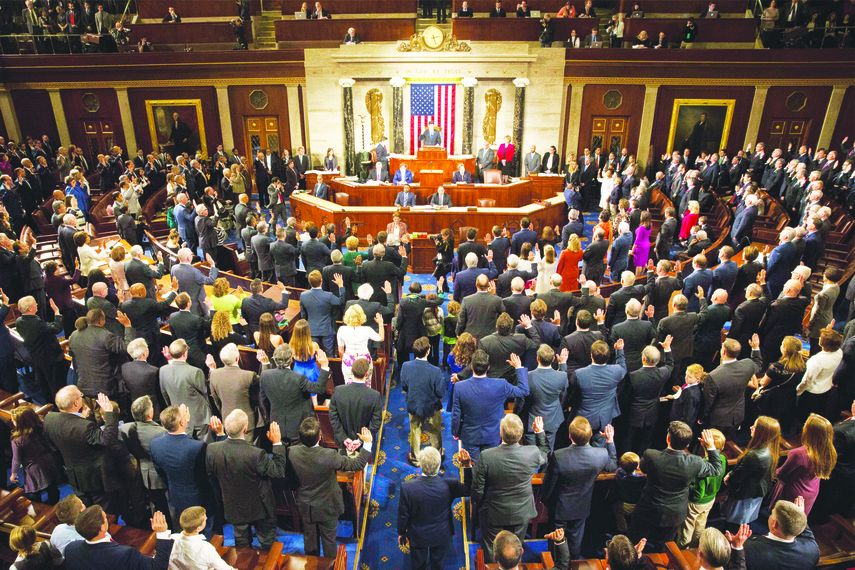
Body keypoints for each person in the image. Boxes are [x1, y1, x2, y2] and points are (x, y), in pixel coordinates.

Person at [289, 418, 372, 556]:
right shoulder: (329, 455)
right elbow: (356, 464)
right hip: (327, 506)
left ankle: (311, 563)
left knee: (310, 541)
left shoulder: (292, 452)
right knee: (329, 542)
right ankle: (331, 565)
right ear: (319, 436)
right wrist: (367, 444)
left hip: (306, 506)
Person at [629, 422, 724, 543]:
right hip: (675, 514)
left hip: (649, 508)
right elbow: (716, 469)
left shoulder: (651, 455)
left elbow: (643, 469)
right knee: (665, 546)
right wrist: (711, 446)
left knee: (635, 540)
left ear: (668, 438)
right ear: (688, 444)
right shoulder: (694, 462)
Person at [206, 410, 287, 549]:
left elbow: (214, 474)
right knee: (267, 544)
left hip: (234, 506)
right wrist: (277, 443)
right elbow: (278, 471)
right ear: (245, 428)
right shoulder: (256, 454)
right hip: (261, 508)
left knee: (241, 546)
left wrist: (220, 434)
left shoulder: (212, 449)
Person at [473, 414, 548, 561]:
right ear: (520, 435)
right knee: (516, 547)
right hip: (521, 511)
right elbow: (545, 454)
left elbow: (477, 491)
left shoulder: (486, 456)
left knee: (491, 548)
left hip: (493, 512)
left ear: (501, 433)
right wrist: (540, 432)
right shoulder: (532, 453)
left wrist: (479, 505)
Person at [544, 417, 617, 559]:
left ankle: (557, 563)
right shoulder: (601, 454)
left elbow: (550, 484)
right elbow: (613, 465)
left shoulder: (559, 456)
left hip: (560, 507)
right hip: (582, 505)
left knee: (556, 542)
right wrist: (610, 441)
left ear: (570, 435)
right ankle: (574, 563)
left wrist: (545, 500)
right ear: (590, 436)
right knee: (576, 541)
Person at [398, 446, 473, 570]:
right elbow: (469, 489)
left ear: (421, 464)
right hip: (441, 533)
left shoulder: (407, 488)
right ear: (439, 465)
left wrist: (401, 532)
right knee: (438, 565)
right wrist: (467, 467)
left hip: (418, 535)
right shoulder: (449, 485)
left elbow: (403, 514)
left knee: (418, 565)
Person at [43, 388, 117, 511]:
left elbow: (53, 446)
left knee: (85, 507)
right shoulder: (84, 426)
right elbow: (106, 439)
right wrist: (109, 413)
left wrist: (82, 419)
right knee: (104, 510)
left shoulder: (49, 419)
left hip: (73, 475)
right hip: (95, 478)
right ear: (76, 404)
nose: (82, 397)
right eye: (80, 395)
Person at [452, 351, 530, 461]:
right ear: (488, 367)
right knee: (490, 465)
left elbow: (456, 414)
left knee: (472, 467)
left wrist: (455, 432)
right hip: (493, 435)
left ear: (471, 366)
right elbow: (523, 391)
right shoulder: (500, 384)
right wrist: (518, 367)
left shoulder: (459, 387)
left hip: (469, 436)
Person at [149, 406, 214, 534]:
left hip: (175, 495)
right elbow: (205, 475)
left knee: (182, 531)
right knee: (204, 532)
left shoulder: (155, 444)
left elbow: (160, 472)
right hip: (199, 498)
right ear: (183, 423)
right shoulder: (197, 447)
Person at [63, 505, 174, 570]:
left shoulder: (71, 549)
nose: (108, 518)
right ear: (102, 527)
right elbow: (158, 567)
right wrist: (162, 533)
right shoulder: (125, 554)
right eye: (105, 517)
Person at [769, 413, 837, 515]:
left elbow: (781, 474)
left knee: (782, 520)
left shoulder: (798, 454)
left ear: (809, 432)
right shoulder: (829, 452)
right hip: (811, 491)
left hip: (793, 494)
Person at [722, 415, 781, 526]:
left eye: (754, 426)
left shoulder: (754, 455)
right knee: (746, 519)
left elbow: (738, 476)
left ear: (761, 433)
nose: (750, 427)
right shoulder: (771, 448)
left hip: (745, 494)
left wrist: (729, 477)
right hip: (757, 491)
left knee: (735, 521)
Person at [676, 429, 727, 547]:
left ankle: (683, 549)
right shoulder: (722, 459)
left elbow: (698, 493)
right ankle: (695, 546)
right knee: (700, 525)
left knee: (687, 528)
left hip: (696, 502)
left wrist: (688, 485)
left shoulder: (703, 466)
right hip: (710, 499)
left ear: (703, 444)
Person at [159, 339, 213, 441]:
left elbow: (164, 394)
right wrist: (211, 370)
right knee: (204, 448)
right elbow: (207, 391)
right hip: (200, 418)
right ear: (185, 354)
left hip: (179, 418)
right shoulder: (195, 372)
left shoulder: (163, 370)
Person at [573, 339, 627, 434]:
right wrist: (619, 350)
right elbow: (622, 366)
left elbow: (573, 395)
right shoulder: (616, 371)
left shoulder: (579, 374)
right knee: (601, 447)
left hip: (583, 421)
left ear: (591, 355)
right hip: (605, 419)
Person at [9, 406, 62, 504]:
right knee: (53, 488)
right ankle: (54, 506)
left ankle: (40, 510)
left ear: (20, 422)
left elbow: (16, 460)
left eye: (13, 420)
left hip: (33, 469)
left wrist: (13, 474)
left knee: (34, 493)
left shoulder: (17, 440)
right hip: (49, 461)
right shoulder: (42, 428)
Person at [209, 344, 261, 441]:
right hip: (247, 422)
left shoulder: (213, 374)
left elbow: (216, 400)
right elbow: (259, 397)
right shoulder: (249, 376)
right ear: (237, 358)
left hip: (226, 418)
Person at [329, 357, 383, 446]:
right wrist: (361, 440)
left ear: (352, 371)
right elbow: (376, 423)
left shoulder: (338, 390)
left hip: (343, 442)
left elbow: (333, 416)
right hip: (364, 443)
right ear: (366, 374)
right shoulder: (374, 396)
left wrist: (343, 437)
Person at [797, 328, 843, 422]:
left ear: (822, 342)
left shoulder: (817, 360)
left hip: (812, 392)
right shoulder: (839, 352)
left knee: (804, 418)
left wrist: (798, 391)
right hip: (826, 389)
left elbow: (807, 380)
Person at [168, 506, 236, 570]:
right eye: (205, 519)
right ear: (198, 528)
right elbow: (223, 568)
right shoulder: (206, 548)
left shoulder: (170, 539)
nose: (206, 518)